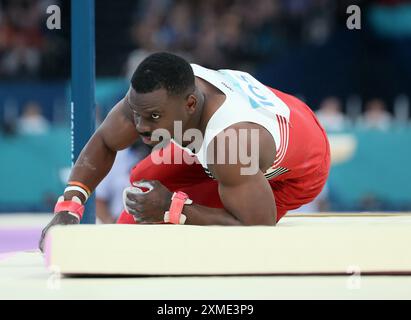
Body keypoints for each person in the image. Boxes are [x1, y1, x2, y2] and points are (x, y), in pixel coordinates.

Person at [39, 52, 330, 250]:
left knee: (155, 212)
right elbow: (105, 140)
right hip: (277, 113)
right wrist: (70, 207)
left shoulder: (231, 143)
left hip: (300, 168)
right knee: (143, 176)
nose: (140, 127)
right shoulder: (159, 93)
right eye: (137, 114)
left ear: (191, 104)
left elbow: (258, 228)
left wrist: (173, 209)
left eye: (153, 117)